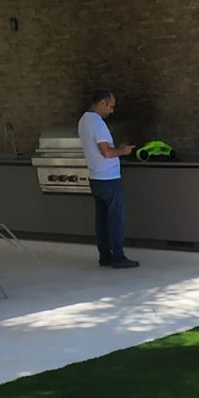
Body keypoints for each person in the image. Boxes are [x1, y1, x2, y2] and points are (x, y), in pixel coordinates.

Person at [79, 89, 138, 269]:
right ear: (102, 103)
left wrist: (116, 149)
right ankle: (119, 258)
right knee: (115, 220)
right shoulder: (98, 123)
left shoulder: (83, 120)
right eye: (110, 106)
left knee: (102, 221)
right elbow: (106, 152)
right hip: (109, 178)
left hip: (95, 177)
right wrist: (123, 151)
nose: (111, 111)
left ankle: (104, 257)